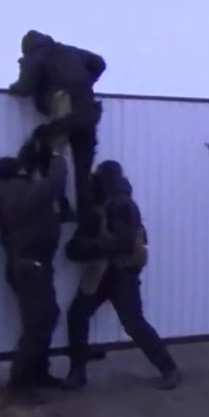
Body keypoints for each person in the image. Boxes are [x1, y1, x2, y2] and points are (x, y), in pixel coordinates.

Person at [62, 160, 182, 391]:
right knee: (79, 316)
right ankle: (77, 371)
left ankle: (169, 368)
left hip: (120, 273)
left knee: (133, 323)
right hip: (102, 273)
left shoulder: (121, 204)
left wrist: (89, 248)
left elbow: (122, 242)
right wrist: (85, 248)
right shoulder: (105, 204)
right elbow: (79, 246)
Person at [0, 143, 69, 399]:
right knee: (39, 322)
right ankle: (20, 383)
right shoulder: (21, 192)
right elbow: (54, 183)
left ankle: (38, 372)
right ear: (18, 173)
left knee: (44, 318)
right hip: (32, 266)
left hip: (27, 265)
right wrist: (58, 156)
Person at [7, 29, 107, 226]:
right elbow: (99, 63)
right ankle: (87, 222)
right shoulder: (69, 51)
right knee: (83, 170)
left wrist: (13, 88)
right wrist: (87, 81)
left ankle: (62, 207)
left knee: (52, 157)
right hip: (87, 112)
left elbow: (25, 88)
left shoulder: (34, 57)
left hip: (64, 115)